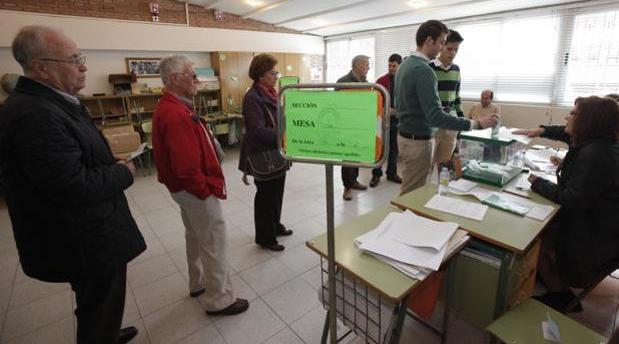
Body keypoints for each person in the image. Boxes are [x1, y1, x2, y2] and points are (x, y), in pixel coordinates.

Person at [0, 25, 145, 344]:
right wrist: (124, 172)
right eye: (74, 59)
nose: (84, 66)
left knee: (98, 303)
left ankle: (104, 331)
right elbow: (72, 184)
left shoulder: (52, 102)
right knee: (99, 303)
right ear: (41, 67)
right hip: (82, 237)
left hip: (85, 230)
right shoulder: (35, 114)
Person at [152, 55, 249, 315]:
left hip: (182, 190)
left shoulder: (174, 106)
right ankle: (219, 299)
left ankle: (198, 284)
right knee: (213, 240)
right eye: (193, 76)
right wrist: (204, 190)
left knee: (195, 236)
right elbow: (186, 167)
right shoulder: (175, 113)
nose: (198, 81)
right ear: (175, 79)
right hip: (193, 190)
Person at [528, 96, 619, 312]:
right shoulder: (599, 145)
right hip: (601, 227)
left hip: (593, 240)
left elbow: (572, 198)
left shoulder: (595, 154)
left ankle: (560, 294)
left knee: (535, 242)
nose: (567, 116)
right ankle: (547, 275)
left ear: (588, 121)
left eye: (573, 113)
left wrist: (537, 182)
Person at [395, 20, 497, 194]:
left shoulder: (405, 63)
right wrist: (475, 124)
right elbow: (435, 116)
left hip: (406, 136)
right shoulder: (425, 70)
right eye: (442, 42)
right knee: (412, 193)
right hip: (418, 140)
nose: (443, 48)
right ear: (429, 41)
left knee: (414, 187)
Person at [238, 53, 293, 251]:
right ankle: (265, 237)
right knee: (265, 198)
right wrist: (285, 136)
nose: (276, 75)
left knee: (277, 193)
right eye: (273, 72)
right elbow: (257, 131)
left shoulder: (271, 92)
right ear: (261, 75)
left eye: (276, 72)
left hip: (277, 153)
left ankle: (275, 226)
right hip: (263, 155)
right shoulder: (252, 97)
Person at [336, 55, 371, 200]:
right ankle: (347, 187)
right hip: (346, 126)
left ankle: (354, 180)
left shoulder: (366, 82)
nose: (368, 68)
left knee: (357, 155)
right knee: (348, 158)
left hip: (360, 125)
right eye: (366, 65)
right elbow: (335, 104)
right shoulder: (342, 82)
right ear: (357, 65)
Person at [429, 29, 465, 167]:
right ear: (442, 46)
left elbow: (456, 98)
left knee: (444, 166)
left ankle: (440, 189)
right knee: (427, 167)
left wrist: (461, 121)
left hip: (451, 124)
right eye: (449, 49)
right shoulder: (429, 67)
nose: (453, 53)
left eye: (456, 50)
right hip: (433, 125)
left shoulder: (456, 69)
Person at [370, 53, 403, 188]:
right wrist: (384, 109)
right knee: (380, 147)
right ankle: (376, 174)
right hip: (383, 119)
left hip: (398, 120)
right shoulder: (381, 80)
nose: (391, 68)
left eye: (394, 66)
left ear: (400, 66)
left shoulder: (404, 80)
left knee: (394, 148)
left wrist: (398, 111)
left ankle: (391, 173)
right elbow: (374, 99)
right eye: (389, 65)